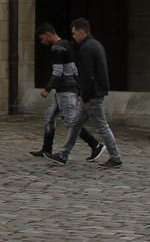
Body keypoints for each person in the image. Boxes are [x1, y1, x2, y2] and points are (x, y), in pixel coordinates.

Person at [51, 18, 122, 168]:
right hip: (92, 93)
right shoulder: (95, 45)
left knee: (102, 126)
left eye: (75, 33)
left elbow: (88, 75)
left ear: (82, 32)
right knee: (75, 124)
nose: (74, 37)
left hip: (93, 94)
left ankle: (115, 157)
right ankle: (63, 154)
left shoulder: (87, 48)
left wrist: (86, 95)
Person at [30, 22, 103, 161]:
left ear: (48, 34)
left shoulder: (57, 49)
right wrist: (79, 89)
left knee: (71, 122)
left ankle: (95, 145)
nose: (42, 41)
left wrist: (47, 89)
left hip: (65, 90)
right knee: (49, 118)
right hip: (63, 90)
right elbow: (73, 69)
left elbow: (58, 71)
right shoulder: (66, 46)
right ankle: (46, 149)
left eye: (42, 38)